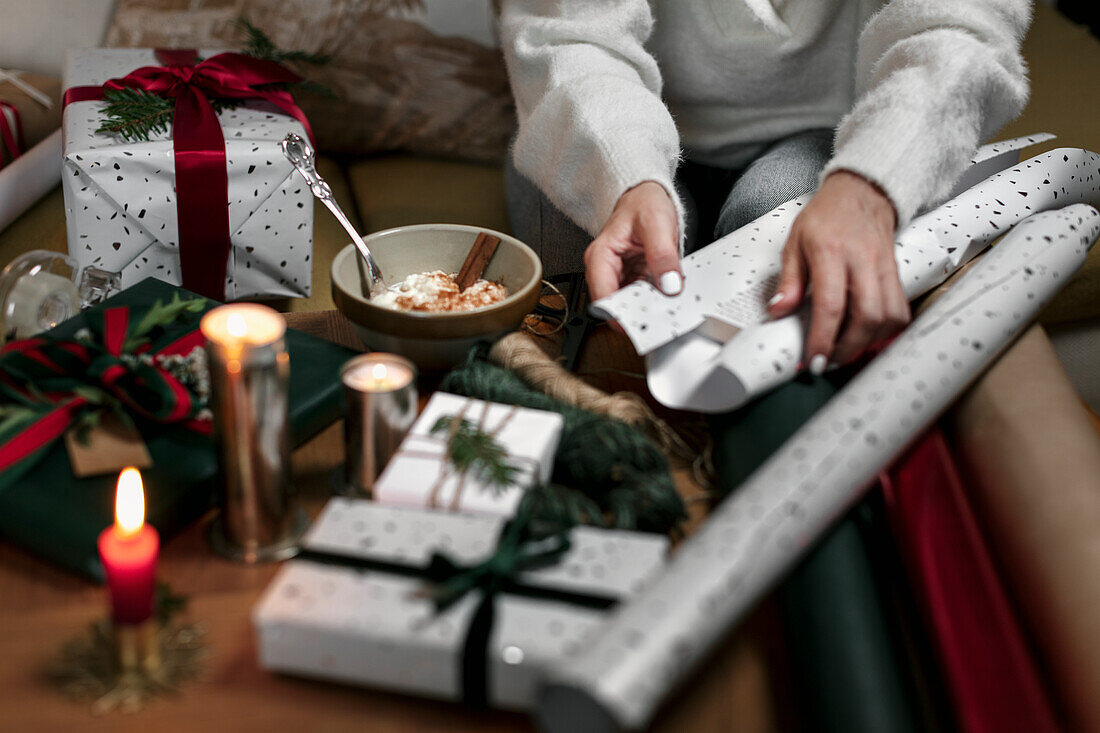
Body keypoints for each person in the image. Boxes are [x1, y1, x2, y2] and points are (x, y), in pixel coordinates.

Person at [500, 0, 1031, 371]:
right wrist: (623, 176)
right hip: (612, 118)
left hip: (821, 139)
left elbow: (963, 28)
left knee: (786, 248)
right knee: (585, 296)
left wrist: (871, 180)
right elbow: (568, 33)